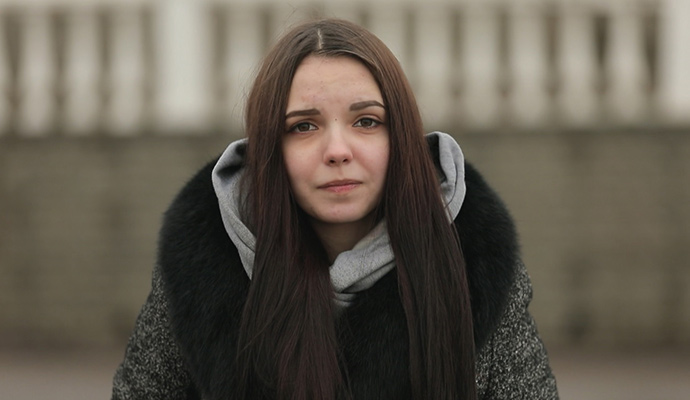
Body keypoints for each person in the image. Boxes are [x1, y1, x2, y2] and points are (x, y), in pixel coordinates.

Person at [112, 18, 558, 400]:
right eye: (303, 126)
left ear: (400, 138)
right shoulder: (202, 269)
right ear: (269, 150)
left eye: (366, 121)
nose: (338, 151)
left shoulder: (474, 268)